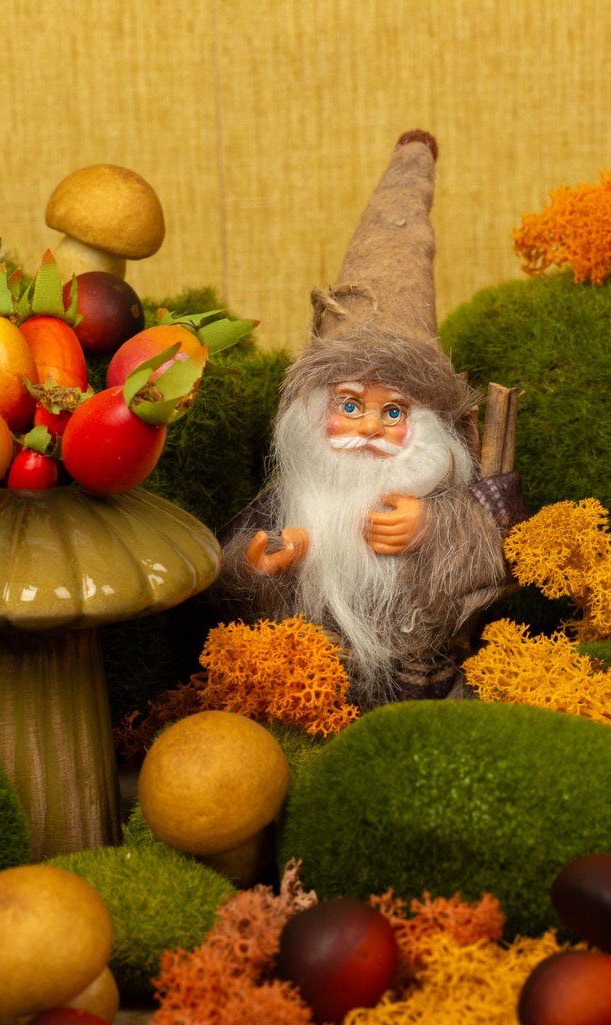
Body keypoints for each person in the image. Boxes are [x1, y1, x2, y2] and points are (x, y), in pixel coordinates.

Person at [218, 132, 522, 707]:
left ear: (428, 426)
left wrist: (434, 526)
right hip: (314, 684)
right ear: (315, 413)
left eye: (394, 411)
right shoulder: (297, 495)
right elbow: (230, 573)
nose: (370, 429)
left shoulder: (450, 497)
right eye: (351, 405)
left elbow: (507, 551)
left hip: (426, 686)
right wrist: (264, 564)